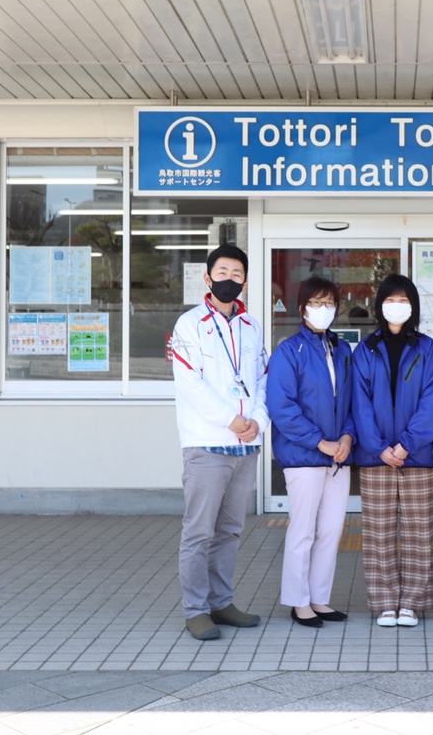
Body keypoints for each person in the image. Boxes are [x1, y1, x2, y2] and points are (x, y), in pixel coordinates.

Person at [169, 244, 269, 641]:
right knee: (198, 532)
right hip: (207, 444)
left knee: (229, 531)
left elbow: (262, 380)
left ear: (245, 280)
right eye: (222, 271)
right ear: (208, 278)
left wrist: (257, 422)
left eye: (237, 273)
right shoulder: (189, 325)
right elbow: (190, 384)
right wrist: (232, 420)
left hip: (245, 447)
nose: (230, 279)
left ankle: (222, 602)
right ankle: (196, 610)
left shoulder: (252, 326)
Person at [351, 273, 433, 628]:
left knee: (420, 532)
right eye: (391, 299)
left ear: (413, 306)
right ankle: (386, 602)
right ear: (380, 304)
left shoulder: (427, 348)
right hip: (376, 459)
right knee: (378, 534)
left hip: (416, 457)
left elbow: (431, 402)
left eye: (404, 300)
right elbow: (359, 404)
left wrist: (405, 444)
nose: (397, 305)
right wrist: (378, 447)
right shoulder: (365, 349)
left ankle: (412, 604)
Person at [267, 276, 355, 629]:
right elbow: (281, 406)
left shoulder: (342, 350)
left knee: (332, 530)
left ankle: (320, 598)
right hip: (304, 456)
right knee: (303, 530)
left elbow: (353, 402)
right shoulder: (289, 351)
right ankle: (298, 601)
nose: (324, 310)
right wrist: (320, 442)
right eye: (316, 303)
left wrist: (347, 438)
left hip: (338, 458)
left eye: (330, 303)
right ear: (302, 308)